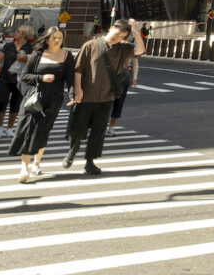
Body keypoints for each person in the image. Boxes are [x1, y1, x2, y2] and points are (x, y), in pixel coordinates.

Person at [63, 17, 141, 174]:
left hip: (106, 98)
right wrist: (77, 89)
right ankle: (72, 150)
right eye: (117, 34)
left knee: (98, 132)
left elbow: (139, 50)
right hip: (85, 96)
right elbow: (78, 69)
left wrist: (136, 31)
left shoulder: (123, 48)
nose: (118, 38)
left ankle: (89, 162)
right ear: (111, 28)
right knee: (77, 129)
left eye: (122, 37)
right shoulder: (90, 45)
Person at [10, 26, 75, 182]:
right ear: (47, 39)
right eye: (54, 37)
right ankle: (24, 167)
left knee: (43, 131)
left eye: (60, 37)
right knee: (27, 130)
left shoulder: (67, 56)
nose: (57, 40)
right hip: (34, 98)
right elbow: (24, 75)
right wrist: (41, 78)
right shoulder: (37, 55)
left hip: (53, 99)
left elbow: (70, 79)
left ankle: (37, 162)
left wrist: (72, 95)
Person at [0, 28, 34, 131]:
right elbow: (0, 57)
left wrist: (25, 59)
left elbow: (35, 62)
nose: (15, 33)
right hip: (5, 78)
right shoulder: (9, 45)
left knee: (15, 104)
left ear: (25, 34)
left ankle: (9, 128)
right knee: (1, 102)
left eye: (18, 31)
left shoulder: (31, 47)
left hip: (20, 79)